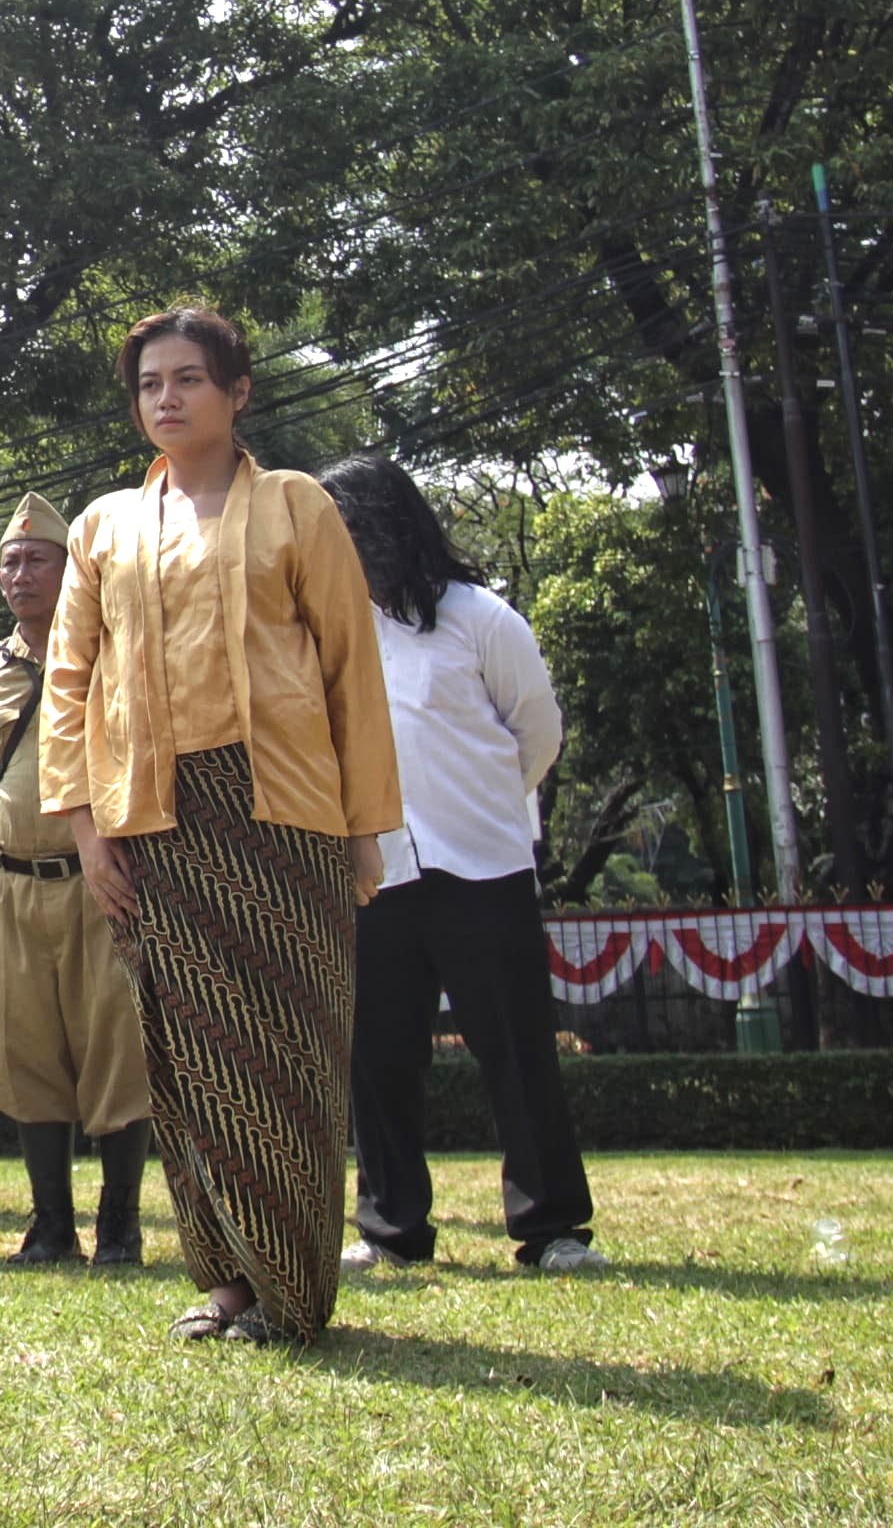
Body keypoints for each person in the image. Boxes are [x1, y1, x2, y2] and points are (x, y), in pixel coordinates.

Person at [41, 306, 400, 1346]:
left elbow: (350, 670)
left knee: (288, 1049)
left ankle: (292, 1288)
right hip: (151, 818)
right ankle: (229, 1277)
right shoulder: (103, 526)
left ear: (238, 393)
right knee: (189, 1055)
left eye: (190, 379)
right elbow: (71, 685)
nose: (168, 398)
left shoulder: (296, 508)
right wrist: (86, 826)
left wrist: (365, 826)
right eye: (151, 382)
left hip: (283, 815)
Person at [319, 454, 605, 1277]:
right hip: (377, 871)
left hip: (484, 869)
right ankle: (390, 1229)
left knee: (516, 1050)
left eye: (343, 527)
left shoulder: (481, 618)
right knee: (379, 1055)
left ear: (387, 525)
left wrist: (486, 805)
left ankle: (552, 1228)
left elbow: (536, 736)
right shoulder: (331, 635)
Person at [0, 494, 150, 1267]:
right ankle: (50, 1224)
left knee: (117, 1050)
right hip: (10, 884)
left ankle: (119, 1223)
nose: (18, 574)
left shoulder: (113, 654)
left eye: (36, 559)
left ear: (73, 568)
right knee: (25, 1053)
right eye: (9, 563)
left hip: (104, 881)